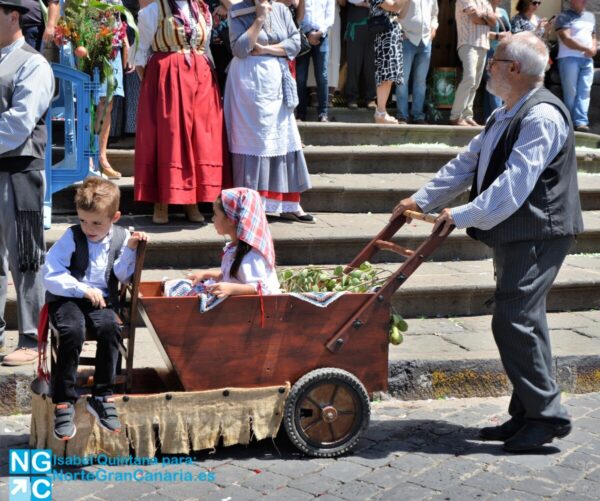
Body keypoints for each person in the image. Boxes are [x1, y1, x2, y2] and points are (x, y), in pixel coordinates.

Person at [393, 32, 583, 452]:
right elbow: (469, 163)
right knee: (524, 321)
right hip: (522, 231)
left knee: (513, 319)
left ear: (513, 68)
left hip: (539, 232)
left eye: (494, 61)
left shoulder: (541, 117)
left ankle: (547, 416)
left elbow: (515, 185)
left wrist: (459, 215)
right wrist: (422, 199)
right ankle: (527, 414)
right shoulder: (505, 113)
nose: (488, 68)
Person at [43, 177, 148, 440]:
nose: (88, 227)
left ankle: (101, 395)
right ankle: (64, 400)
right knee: (72, 331)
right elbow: (51, 272)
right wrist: (80, 289)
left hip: (101, 299)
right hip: (68, 297)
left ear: (115, 217)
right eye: (83, 220)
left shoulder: (122, 237)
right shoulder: (72, 236)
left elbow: (122, 275)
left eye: (96, 223)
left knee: (110, 327)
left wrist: (131, 249)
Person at [134, 0, 230, 224]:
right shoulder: (153, 10)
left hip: (201, 78)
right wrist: (152, 86)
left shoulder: (202, 9)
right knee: (171, 136)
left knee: (199, 138)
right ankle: (162, 200)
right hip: (167, 77)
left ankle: (191, 200)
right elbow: (141, 50)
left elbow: (205, 48)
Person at [225, 0, 314, 223]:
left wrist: (265, 49)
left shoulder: (283, 10)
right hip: (248, 83)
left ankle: (288, 204)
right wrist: (260, 19)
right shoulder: (237, 10)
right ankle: (252, 204)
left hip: (277, 82)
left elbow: (296, 44)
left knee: (284, 141)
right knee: (255, 143)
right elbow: (240, 48)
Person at [0, 0, 54, 367]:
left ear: (13, 15)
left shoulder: (34, 63)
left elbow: (20, 124)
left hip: (19, 171)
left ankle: (32, 336)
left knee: (26, 257)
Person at [188, 188, 280, 296]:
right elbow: (229, 276)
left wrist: (231, 289)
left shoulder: (251, 256)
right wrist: (205, 274)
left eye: (216, 214)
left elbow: (261, 288)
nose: (213, 219)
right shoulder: (235, 248)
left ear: (230, 220)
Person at [94, 0, 132, 179]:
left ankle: (101, 157)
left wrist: (126, 43)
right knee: (96, 103)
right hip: (92, 46)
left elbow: (118, 14)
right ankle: (90, 158)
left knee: (108, 103)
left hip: (114, 47)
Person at [449, 0, 496, 126]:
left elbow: (493, 21)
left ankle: (467, 115)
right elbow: (475, 19)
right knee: (469, 79)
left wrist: (483, 16)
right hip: (467, 43)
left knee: (475, 84)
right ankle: (455, 116)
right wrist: (485, 18)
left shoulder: (486, 2)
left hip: (484, 45)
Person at [555, 0, 597, 132]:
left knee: (585, 91)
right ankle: (570, 122)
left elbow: (593, 36)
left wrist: (594, 48)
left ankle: (581, 122)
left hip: (587, 59)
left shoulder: (591, 16)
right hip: (569, 58)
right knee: (571, 92)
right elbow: (566, 39)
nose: (584, 1)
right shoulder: (563, 16)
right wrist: (586, 49)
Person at [396, 0, 439, 124]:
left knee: (420, 81)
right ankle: (402, 115)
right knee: (402, 80)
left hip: (426, 42)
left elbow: (434, 15)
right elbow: (394, 11)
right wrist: (400, 30)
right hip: (406, 39)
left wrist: (433, 28)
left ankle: (418, 116)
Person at [296, 0, 335, 122]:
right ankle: (301, 114)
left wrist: (319, 33)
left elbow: (329, 18)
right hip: (302, 36)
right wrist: (306, 35)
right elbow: (297, 15)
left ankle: (323, 114)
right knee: (300, 77)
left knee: (322, 76)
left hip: (321, 37)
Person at [370, 0, 407, 125]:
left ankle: (382, 111)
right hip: (384, 34)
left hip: (393, 32)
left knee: (390, 75)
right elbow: (393, 6)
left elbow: (399, 10)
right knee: (385, 74)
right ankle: (380, 112)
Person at [343, 0, 376, 110]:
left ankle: (370, 98)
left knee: (371, 65)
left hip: (374, 25)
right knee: (354, 64)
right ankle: (351, 98)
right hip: (355, 25)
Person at [482, 0, 510, 120]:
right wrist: (498, 36)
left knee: (493, 86)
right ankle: (499, 118)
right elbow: (480, 33)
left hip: (502, 53)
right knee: (495, 84)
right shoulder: (484, 10)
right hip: (488, 52)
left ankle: (488, 119)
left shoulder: (503, 11)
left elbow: (509, 30)